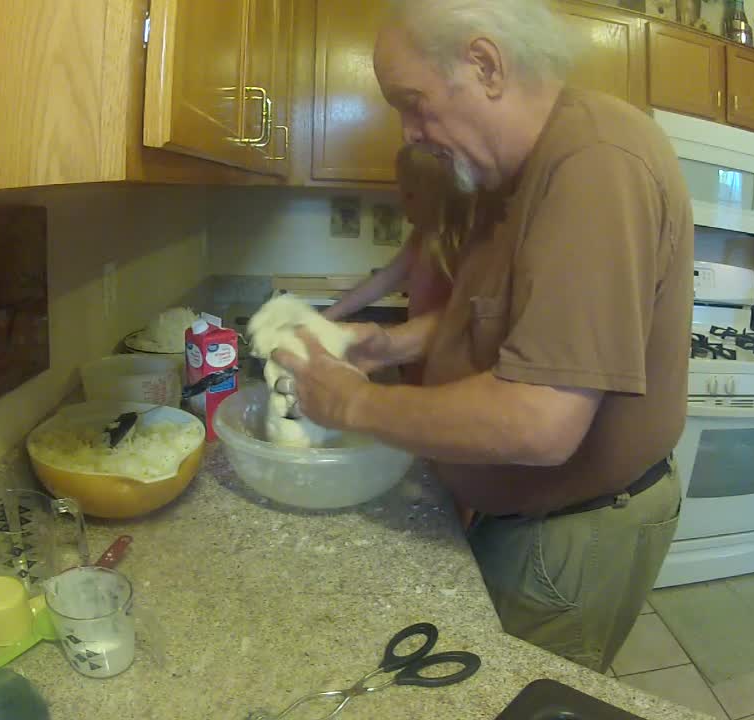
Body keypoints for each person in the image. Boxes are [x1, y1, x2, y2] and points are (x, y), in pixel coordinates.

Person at [272, 0, 694, 673]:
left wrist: (352, 402)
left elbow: (541, 422)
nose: (409, 133)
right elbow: (516, 322)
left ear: (485, 65)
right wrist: (401, 344)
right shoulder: (505, 174)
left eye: (413, 103)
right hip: (525, 518)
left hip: (569, 537)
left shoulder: (595, 165)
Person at [325, 144, 473, 388]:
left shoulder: (462, 245)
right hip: (413, 361)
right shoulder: (421, 236)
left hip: (447, 370)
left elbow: (462, 320)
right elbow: (383, 280)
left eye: (411, 194)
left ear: (436, 196)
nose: (401, 201)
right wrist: (327, 316)